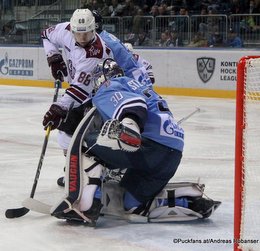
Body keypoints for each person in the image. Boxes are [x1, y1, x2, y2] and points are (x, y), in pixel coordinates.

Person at [49, 58, 221, 226]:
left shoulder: (109, 86)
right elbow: (90, 113)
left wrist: (130, 125)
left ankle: (85, 205)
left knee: (83, 144)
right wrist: (63, 120)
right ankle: (190, 201)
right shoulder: (140, 87)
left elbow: (132, 105)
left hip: (148, 147)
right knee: (132, 205)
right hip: (172, 154)